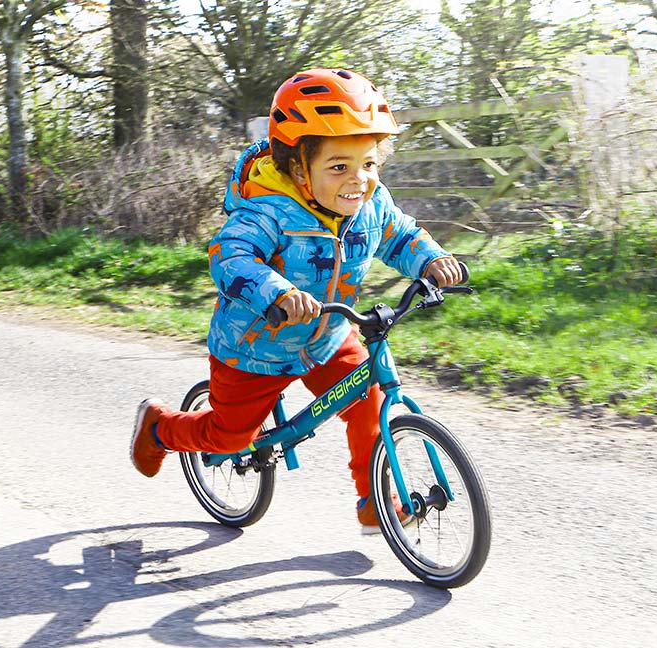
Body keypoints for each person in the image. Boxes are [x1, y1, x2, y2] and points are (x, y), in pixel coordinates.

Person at [130, 68, 462, 534]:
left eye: (368, 164)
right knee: (229, 436)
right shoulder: (267, 211)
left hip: (325, 336)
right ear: (298, 168)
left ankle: (375, 500)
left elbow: (401, 235)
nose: (358, 180)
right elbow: (232, 256)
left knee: (366, 395)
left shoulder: (371, 204)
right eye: (339, 166)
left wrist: (432, 260)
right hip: (254, 348)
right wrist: (278, 292)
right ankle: (160, 427)